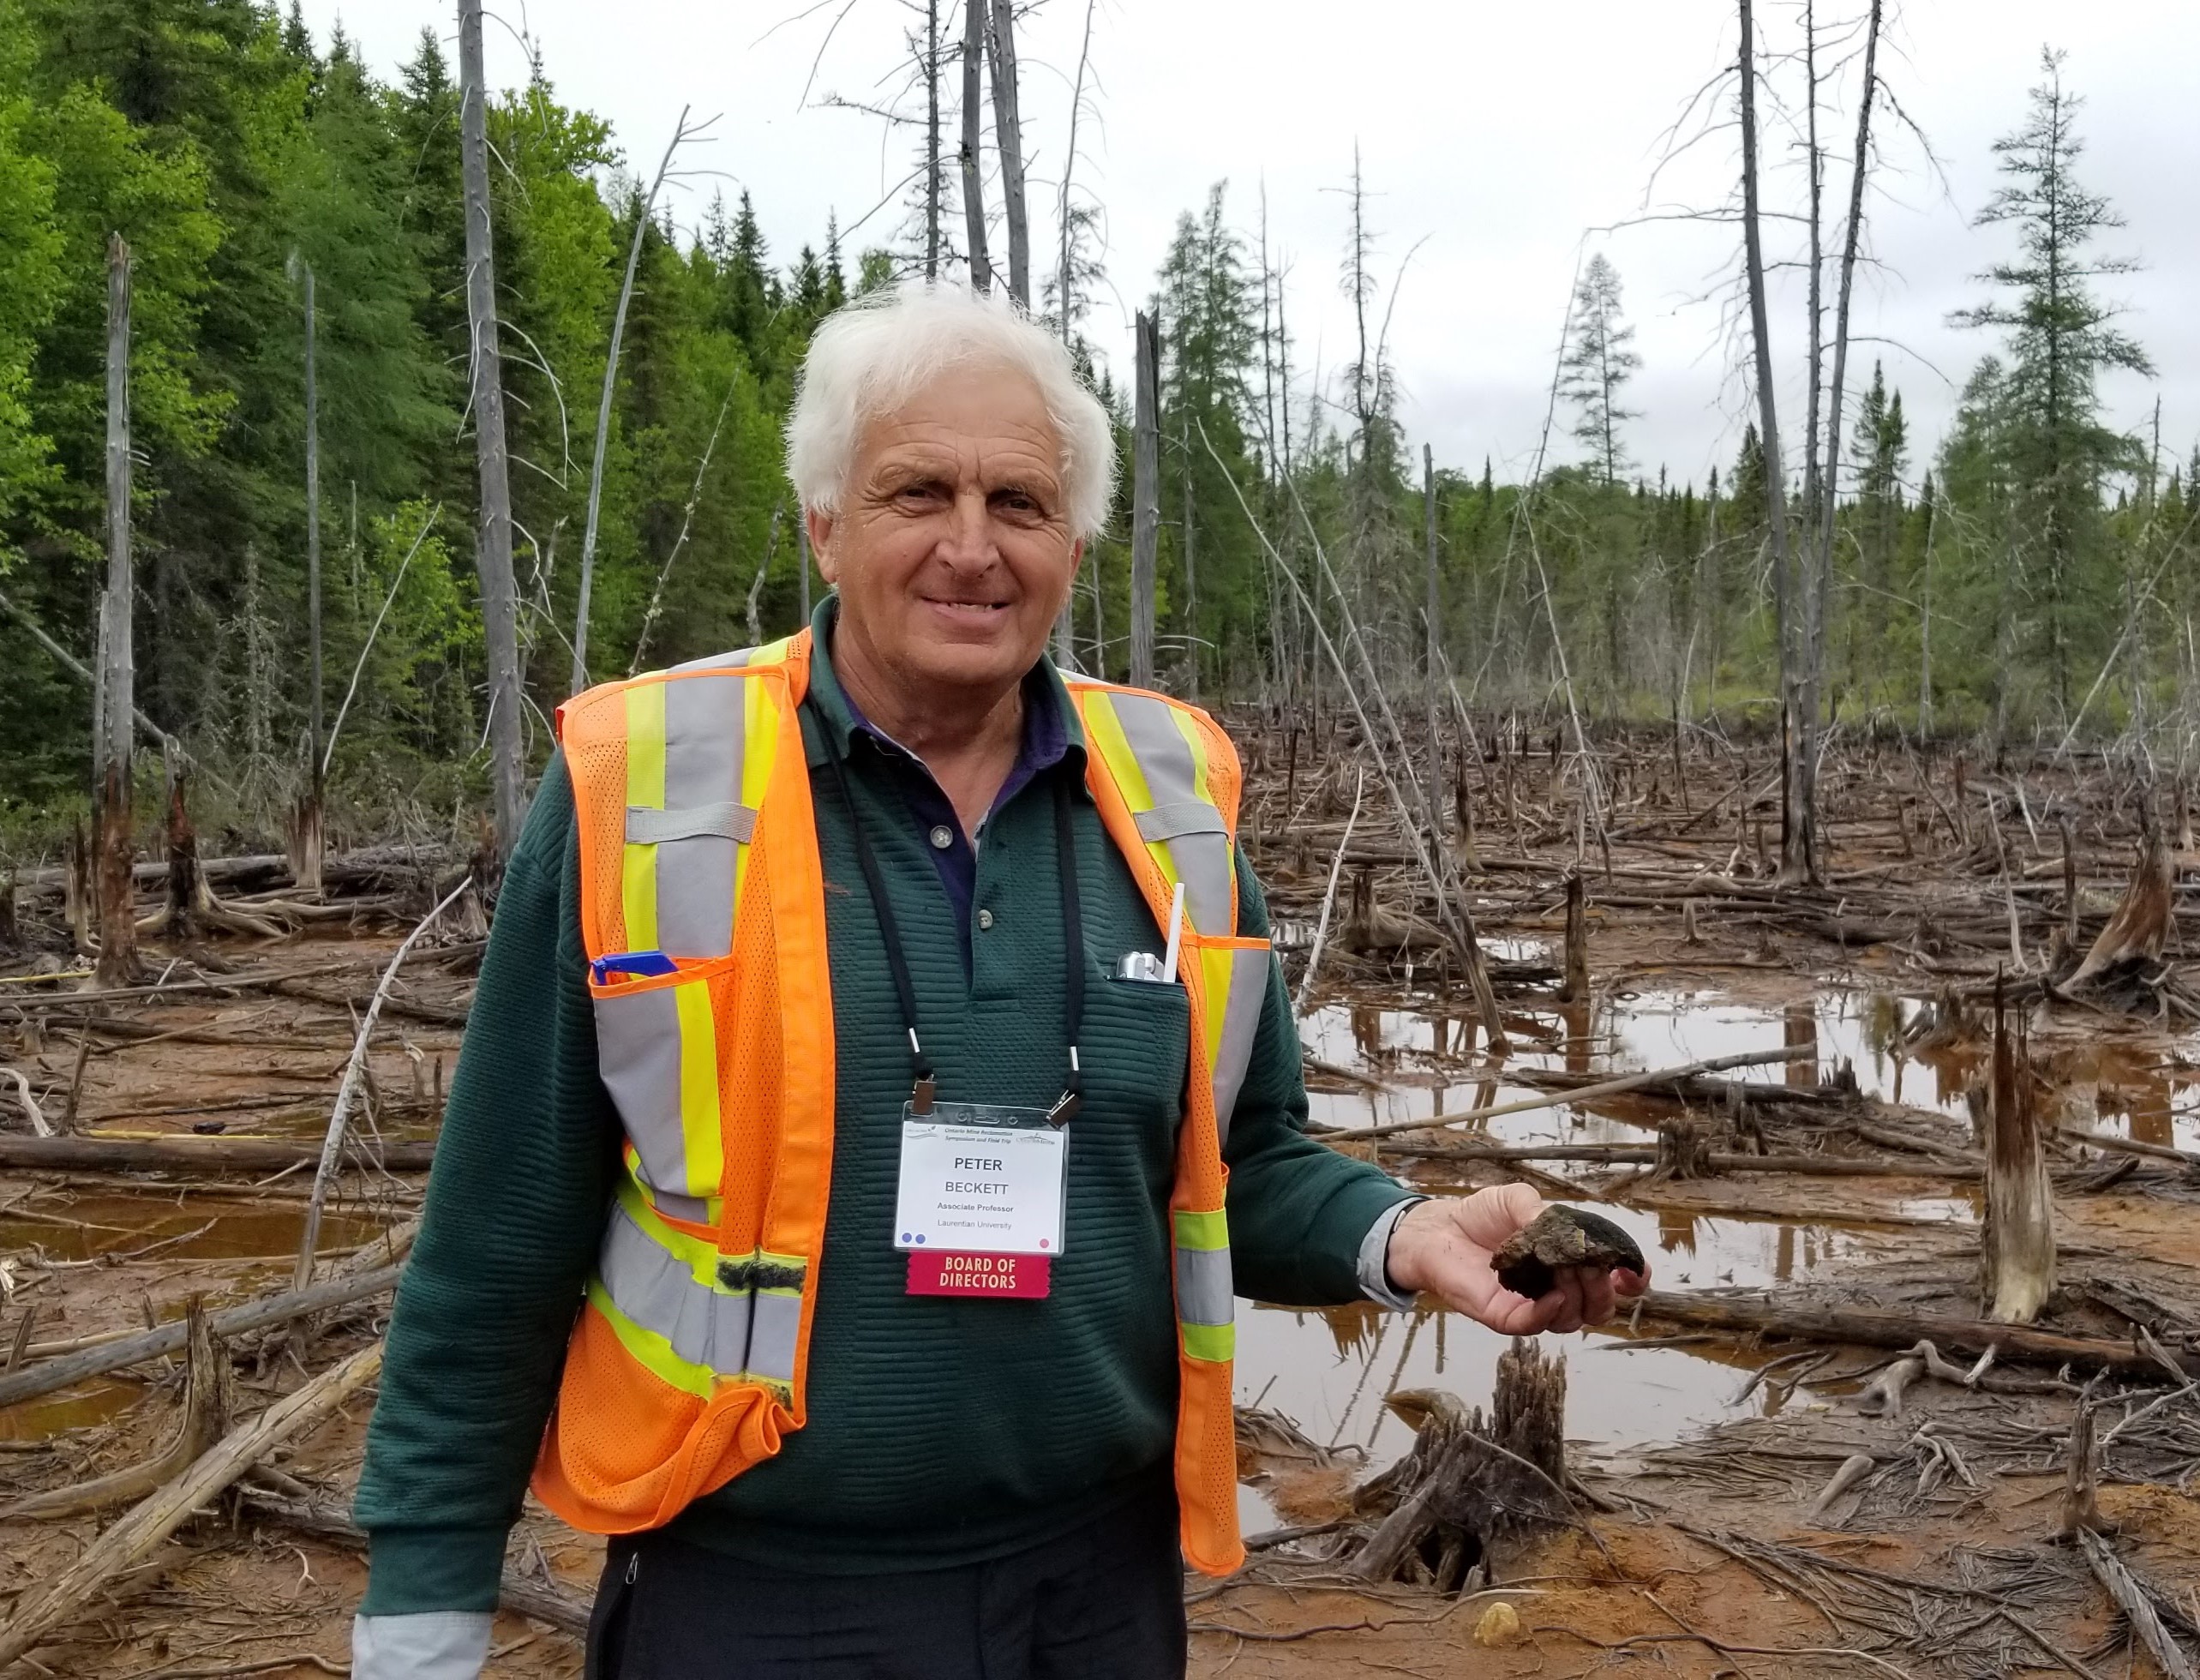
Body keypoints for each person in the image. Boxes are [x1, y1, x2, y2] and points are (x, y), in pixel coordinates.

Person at [349, 280, 1647, 1680]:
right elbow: (496, 1242)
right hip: (756, 1598)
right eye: (918, 491)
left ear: (1074, 544)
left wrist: (1407, 1238)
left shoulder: (1170, 803)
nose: (972, 548)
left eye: (1020, 504)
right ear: (824, 524)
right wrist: (423, 1618)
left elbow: (1240, 1160)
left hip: (1094, 1598)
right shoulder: (654, 785)